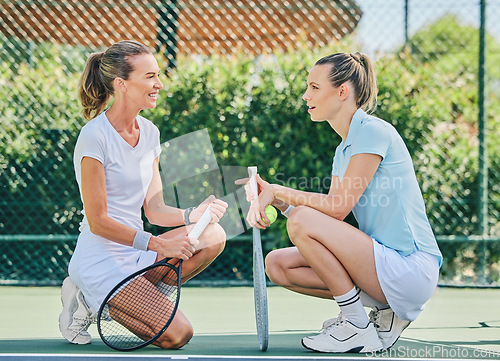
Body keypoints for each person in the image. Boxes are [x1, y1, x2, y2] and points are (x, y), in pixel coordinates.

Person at [244, 52, 442, 353]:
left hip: (411, 269)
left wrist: (277, 190)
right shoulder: (344, 149)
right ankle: (382, 314)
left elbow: (337, 206)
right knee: (278, 264)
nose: (305, 95)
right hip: (382, 267)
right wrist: (280, 203)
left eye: (314, 87)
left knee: (301, 221)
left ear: (342, 92)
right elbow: (331, 220)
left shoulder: (372, 131)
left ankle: (355, 324)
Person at [59, 40, 228, 349]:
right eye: (150, 76)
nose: (159, 84)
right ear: (121, 84)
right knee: (178, 335)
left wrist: (193, 214)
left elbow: (154, 209)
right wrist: (158, 243)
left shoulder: (150, 132)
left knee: (213, 235)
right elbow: (97, 221)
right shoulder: (95, 136)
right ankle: (93, 298)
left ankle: (134, 296)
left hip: (136, 253)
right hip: (100, 260)